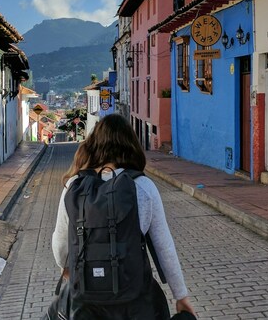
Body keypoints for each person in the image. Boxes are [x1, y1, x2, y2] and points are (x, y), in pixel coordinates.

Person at [51, 114, 196, 319]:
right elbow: (165, 248)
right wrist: (181, 296)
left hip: (86, 301)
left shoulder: (74, 185)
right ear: (131, 144)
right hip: (135, 300)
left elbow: (59, 242)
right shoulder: (143, 186)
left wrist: (65, 268)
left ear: (94, 144)